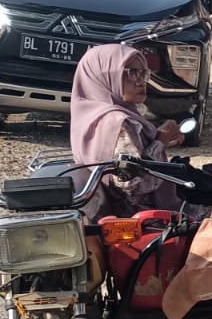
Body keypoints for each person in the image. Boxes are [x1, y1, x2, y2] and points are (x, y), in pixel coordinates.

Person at [70, 44, 184, 218]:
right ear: (104, 77)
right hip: (143, 219)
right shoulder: (118, 122)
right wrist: (161, 140)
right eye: (130, 73)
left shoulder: (88, 116)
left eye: (143, 73)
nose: (140, 81)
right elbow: (133, 184)